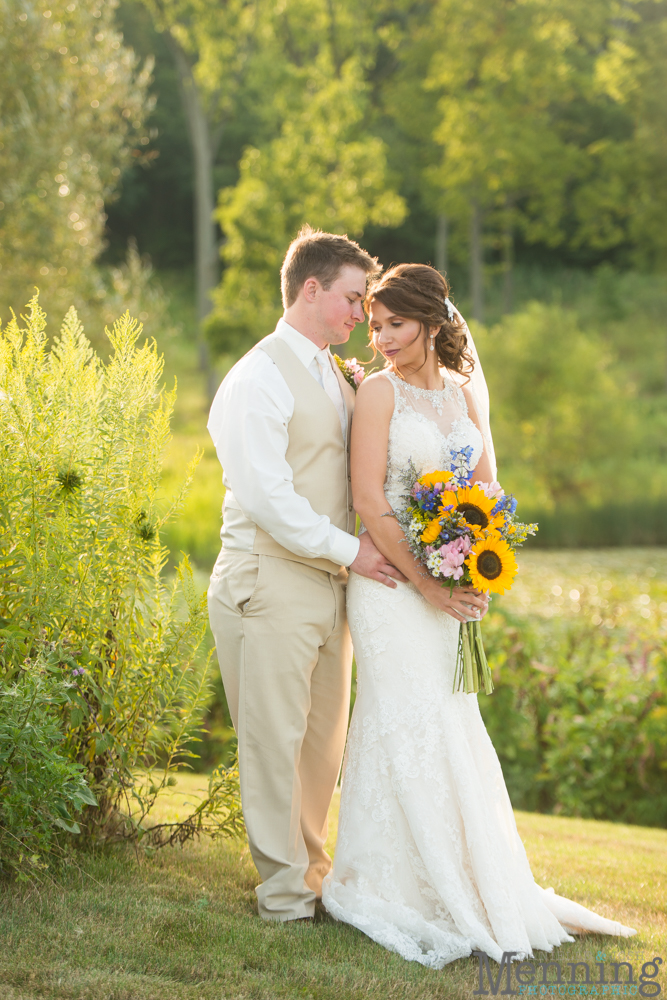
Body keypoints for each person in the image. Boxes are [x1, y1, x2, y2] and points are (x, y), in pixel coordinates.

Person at [321, 263, 636, 966]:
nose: (381, 340)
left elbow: (487, 487)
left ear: (432, 322)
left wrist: (475, 557)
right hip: (392, 590)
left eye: (394, 325)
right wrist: (429, 584)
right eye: (373, 326)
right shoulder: (377, 393)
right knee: (403, 720)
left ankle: (467, 875)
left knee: (450, 722)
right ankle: (393, 880)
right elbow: (371, 502)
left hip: (445, 583)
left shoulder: (463, 396)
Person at [207, 227, 405, 923]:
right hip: (269, 579)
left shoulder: (332, 369)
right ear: (311, 289)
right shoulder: (257, 376)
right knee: (273, 742)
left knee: (322, 743)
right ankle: (283, 896)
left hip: (328, 582)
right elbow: (267, 497)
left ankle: (313, 876)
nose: (362, 315)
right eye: (353, 299)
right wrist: (355, 553)